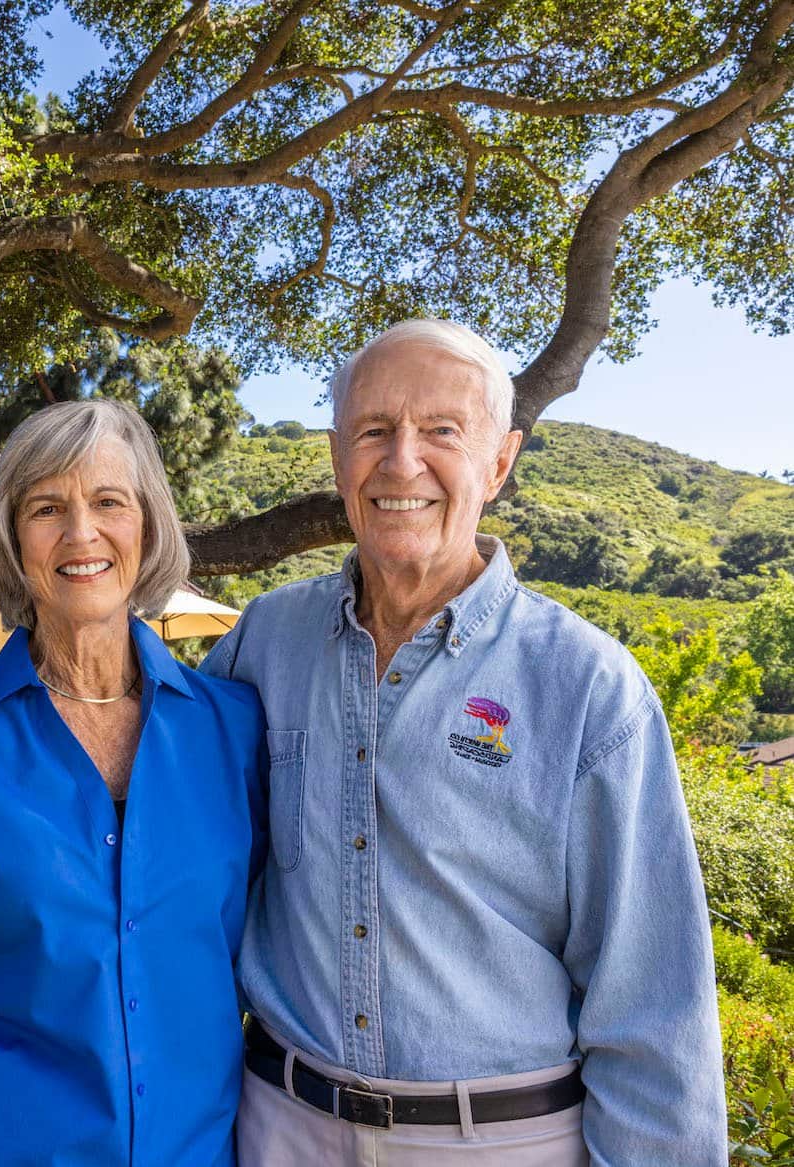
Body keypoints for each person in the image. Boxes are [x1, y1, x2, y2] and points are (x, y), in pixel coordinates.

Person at [204, 319, 726, 1165]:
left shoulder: (589, 686)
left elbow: (654, 1004)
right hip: (280, 1129)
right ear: (339, 459)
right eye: (373, 430)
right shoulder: (263, 640)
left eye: (442, 431)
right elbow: (169, 834)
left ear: (500, 461)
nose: (401, 461)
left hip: (501, 1142)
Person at [0, 399, 266, 1166]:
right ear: (12, 537)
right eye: (47, 508)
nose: (81, 534)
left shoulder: (231, 727)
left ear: (148, 527)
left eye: (108, 502)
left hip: (193, 1146)